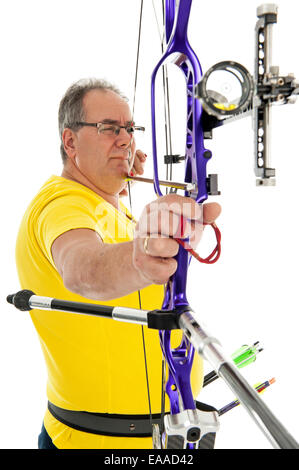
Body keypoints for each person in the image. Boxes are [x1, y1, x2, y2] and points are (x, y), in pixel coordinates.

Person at [15, 78, 221, 449]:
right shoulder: (61, 205)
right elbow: (83, 269)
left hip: (163, 435)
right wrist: (140, 258)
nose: (126, 139)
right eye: (109, 129)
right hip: (94, 442)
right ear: (70, 142)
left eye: (129, 129)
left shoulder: (110, 206)